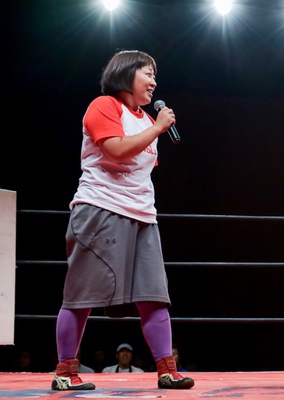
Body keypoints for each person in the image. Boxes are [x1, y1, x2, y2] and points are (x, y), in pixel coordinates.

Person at [51, 49, 194, 391]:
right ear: (127, 73)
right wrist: (158, 127)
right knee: (81, 296)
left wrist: (154, 127)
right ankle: (65, 372)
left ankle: (167, 370)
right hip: (100, 210)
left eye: (155, 75)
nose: (154, 81)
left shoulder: (147, 121)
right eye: (148, 73)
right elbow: (115, 149)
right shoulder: (104, 105)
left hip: (143, 216)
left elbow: (140, 171)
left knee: (154, 295)